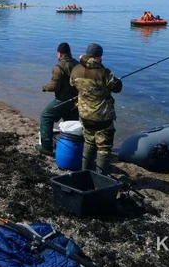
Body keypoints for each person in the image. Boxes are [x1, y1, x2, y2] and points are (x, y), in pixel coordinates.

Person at [70, 43, 123, 174]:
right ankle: (101, 178)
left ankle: (84, 173)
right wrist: (117, 80)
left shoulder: (76, 69)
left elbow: (72, 83)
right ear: (99, 57)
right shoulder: (104, 72)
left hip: (85, 115)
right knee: (104, 148)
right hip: (103, 118)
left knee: (89, 143)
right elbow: (117, 88)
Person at [36, 43, 79, 156]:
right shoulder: (78, 65)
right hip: (75, 101)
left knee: (46, 116)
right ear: (69, 52)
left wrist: (44, 87)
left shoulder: (58, 68)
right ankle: (74, 148)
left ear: (59, 53)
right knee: (72, 125)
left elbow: (54, 86)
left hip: (62, 100)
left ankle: (46, 147)